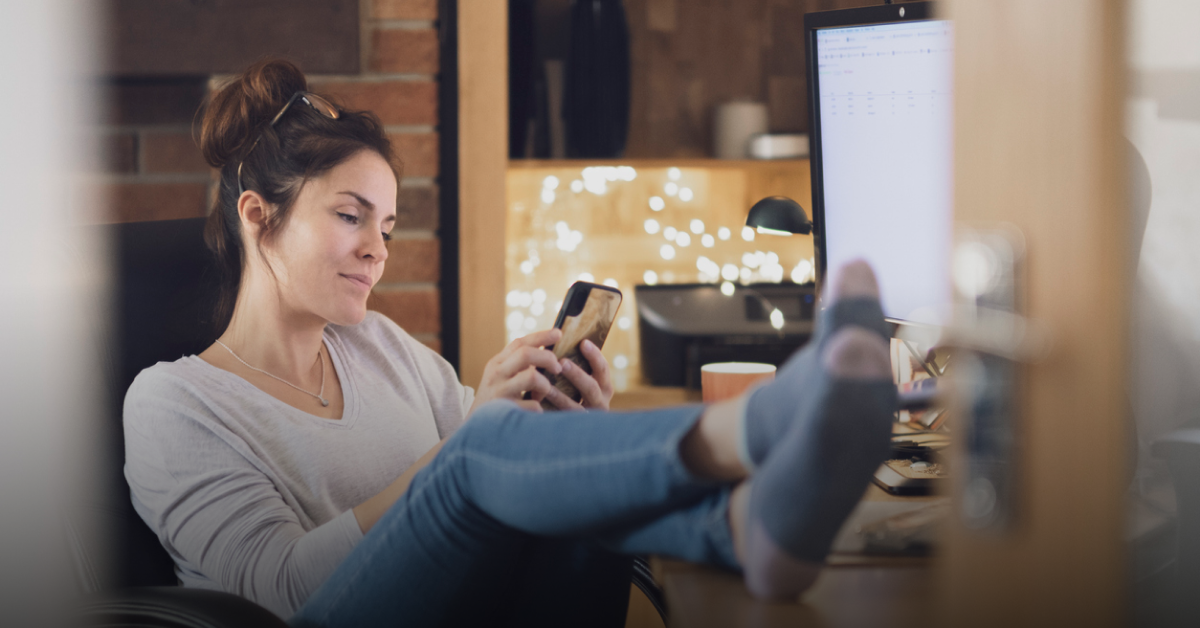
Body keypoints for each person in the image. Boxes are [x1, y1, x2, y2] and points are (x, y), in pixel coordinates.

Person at [123, 59, 897, 627]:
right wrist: (467, 446)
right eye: (351, 216)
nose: (377, 250)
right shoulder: (174, 402)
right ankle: (764, 427)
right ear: (258, 216)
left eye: (387, 227)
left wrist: (568, 426)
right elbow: (278, 592)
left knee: (541, 463)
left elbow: (507, 479)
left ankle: (745, 527)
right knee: (486, 446)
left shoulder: (382, 348)